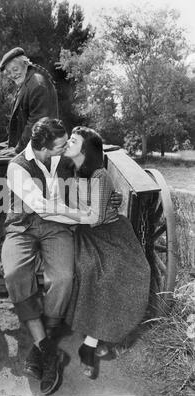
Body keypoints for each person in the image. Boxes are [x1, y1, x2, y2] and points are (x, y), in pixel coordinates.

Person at [1, 118, 122, 395]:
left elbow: (92, 176)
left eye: (67, 141)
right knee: (14, 275)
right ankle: (48, 351)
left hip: (57, 227)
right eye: (60, 145)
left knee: (63, 277)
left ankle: (42, 345)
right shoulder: (17, 167)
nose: (66, 146)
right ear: (43, 147)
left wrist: (107, 198)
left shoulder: (64, 160)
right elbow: (42, 208)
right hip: (23, 224)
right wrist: (82, 216)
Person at [59, 126, 151, 378]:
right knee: (88, 271)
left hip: (109, 233)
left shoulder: (99, 175)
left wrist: (63, 210)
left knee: (120, 273)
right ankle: (92, 341)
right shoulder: (65, 170)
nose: (68, 144)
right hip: (81, 232)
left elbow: (96, 219)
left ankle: (92, 345)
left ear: (85, 150)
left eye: (74, 141)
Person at [0, 47, 59, 154]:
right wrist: (11, 144)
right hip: (30, 147)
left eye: (15, 69)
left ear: (25, 63)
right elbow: (21, 123)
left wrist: (18, 150)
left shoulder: (38, 84)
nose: (13, 75)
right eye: (9, 73)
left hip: (42, 152)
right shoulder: (27, 81)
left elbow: (35, 125)